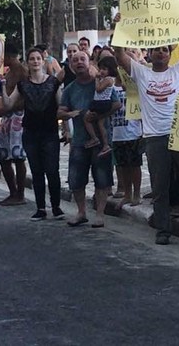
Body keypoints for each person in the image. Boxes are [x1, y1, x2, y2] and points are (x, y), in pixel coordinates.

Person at [114, 19, 179, 245]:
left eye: (164, 49)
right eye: (156, 50)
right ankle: (163, 229)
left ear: (169, 53)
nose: (161, 53)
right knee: (159, 186)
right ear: (150, 54)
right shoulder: (141, 73)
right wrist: (119, 27)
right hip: (154, 138)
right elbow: (120, 55)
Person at [2, 47, 66, 222]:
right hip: (30, 133)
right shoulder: (22, 85)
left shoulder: (53, 83)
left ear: (43, 61)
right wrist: (1, 87)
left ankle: (56, 207)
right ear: (28, 62)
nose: (35, 61)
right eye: (32, 59)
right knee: (37, 172)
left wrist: (66, 128)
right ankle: (40, 208)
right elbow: (8, 104)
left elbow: (61, 106)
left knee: (52, 171)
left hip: (50, 132)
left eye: (38, 58)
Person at [58, 50, 120, 228]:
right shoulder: (69, 89)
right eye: (75, 60)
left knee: (102, 178)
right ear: (70, 65)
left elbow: (116, 104)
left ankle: (99, 214)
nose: (79, 62)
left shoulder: (100, 83)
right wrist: (69, 114)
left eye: (82, 59)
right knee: (76, 179)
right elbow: (60, 111)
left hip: (101, 140)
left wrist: (99, 115)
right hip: (79, 141)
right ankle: (81, 212)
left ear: (89, 62)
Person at [0, 44, 28, 206]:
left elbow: (25, 98)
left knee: (18, 156)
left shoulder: (22, 72)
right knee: (3, 157)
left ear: (9, 56)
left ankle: (19, 193)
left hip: (18, 118)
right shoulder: (9, 73)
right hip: (7, 117)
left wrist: (7, 109)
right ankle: (13, 192)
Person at [110, 64, 143, 207]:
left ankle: (136, 193)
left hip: (133, 132)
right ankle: (127, 193)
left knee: (135, 165)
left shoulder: (134, 86)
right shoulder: (110, 87)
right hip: (117, 134)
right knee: (123, 166)